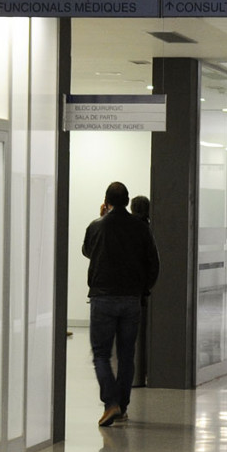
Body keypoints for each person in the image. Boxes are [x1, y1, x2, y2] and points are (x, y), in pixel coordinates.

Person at [82, 182, 160, 427]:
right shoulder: (141, 228)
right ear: (127, 201)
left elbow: (87, 251)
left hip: (102, 298)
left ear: (107, 201)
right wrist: (143, 291)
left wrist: (101, 216)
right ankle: (122, 408)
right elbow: (153, 263)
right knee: (127, 356)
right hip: (130, 299)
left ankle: (111, 403)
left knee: (102, 355)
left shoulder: (97, 227)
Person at [129, 195, 151, 389]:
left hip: (122, 289)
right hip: (140, 291)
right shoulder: (149, 229)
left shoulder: (124, 228)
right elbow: (154, 262)